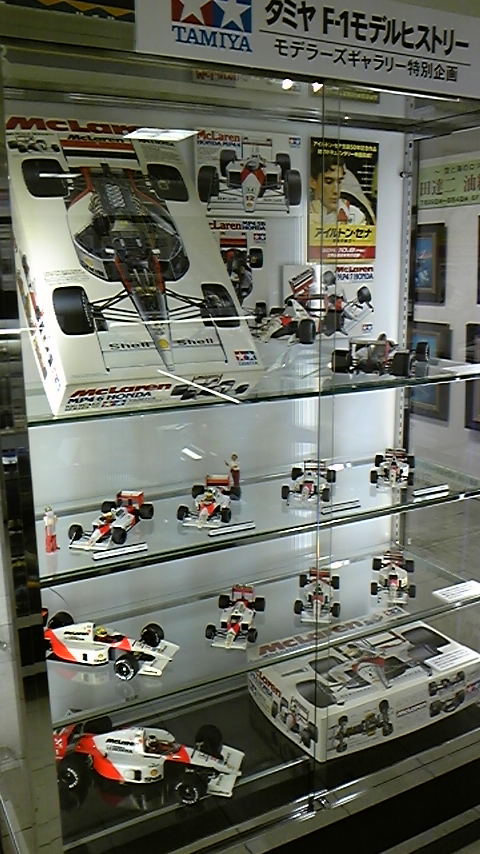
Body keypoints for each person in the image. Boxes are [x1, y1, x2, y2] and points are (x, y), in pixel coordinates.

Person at [310, 153, 367, 226]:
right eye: (329, 182)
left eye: (339, 182)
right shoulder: (302, 213)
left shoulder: (355, 215)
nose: (336, 191)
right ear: (312, 182)